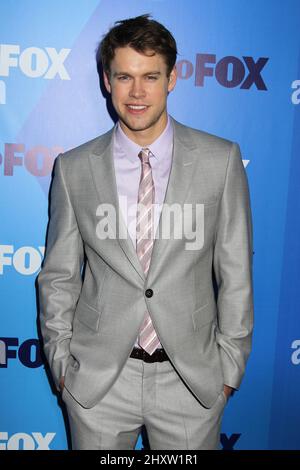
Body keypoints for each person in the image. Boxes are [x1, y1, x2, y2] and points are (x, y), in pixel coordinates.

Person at [38, 14, 253, 450]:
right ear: (106, 80)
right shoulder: (74, 168)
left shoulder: (221, 160)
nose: (137, 93)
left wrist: (228, 369)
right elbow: (58, 276)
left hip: (190, 382)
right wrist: (63, 364)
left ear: (172, 78)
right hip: (98, 385)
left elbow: (235, 273)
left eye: (150, 76)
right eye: (124, 77)